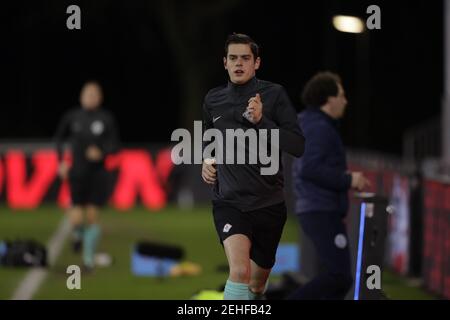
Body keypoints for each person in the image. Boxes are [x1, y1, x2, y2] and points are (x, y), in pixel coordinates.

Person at [201, 33, 305, 300]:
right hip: (229, 202)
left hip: (269, 205)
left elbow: (297, 145)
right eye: (233, 58)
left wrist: (262, 123)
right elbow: (209, 139)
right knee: (238, 272)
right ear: (224, 63)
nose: (239, 63)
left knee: (256, 287)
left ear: (256, 63)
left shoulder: (274, 95)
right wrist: (207, 159)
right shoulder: (213, 100)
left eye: (245, 58)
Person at [289, 71, 370, 299]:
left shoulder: (312, 123)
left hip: (318, 209)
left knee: (336, 279)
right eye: (342, 95)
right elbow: (309, 168)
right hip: (321, 210)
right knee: (339, 276)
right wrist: (348, 179)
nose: (345, 100)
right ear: (328, 98)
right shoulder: (318, 127)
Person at [54, 80, 119, 271]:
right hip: (77, 172)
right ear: (81, 96)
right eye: (87, 94)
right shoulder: (72, 117)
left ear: (100, 98)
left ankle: (88, 259)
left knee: (92, 217)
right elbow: (59, 139)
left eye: (94, 94)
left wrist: (102, 152)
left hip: (97, 174)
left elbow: (115, 144)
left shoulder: (106, 118)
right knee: (76, 218)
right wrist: (62, 162)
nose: (90, 97)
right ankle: (78, 235)